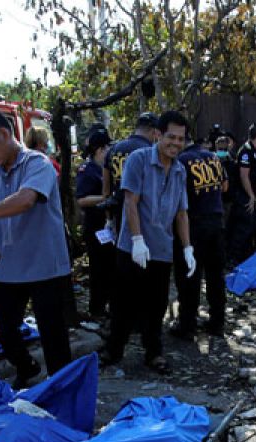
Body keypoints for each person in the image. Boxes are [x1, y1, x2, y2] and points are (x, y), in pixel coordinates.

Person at [0, 110, 72, 389]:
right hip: (12, 264)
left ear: (5, 134)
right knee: (4, 327)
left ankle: (63, 391)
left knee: (53, 336)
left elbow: (25, 200)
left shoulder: (37, 164)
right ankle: (28, 367)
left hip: (46, 265)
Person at [101, 110, 193, 374]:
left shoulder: (179, 170)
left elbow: (181, 212)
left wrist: (187, 247)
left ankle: (153, 352)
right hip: (132, 247)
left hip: (162, 249)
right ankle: (114, 349)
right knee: (123, 302)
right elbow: (131, 201)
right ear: (157, 135)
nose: (176, 144)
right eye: (171, 137)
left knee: (157, 304)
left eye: (181, 139)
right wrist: (138, 239)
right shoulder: (138, 160)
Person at [171, 132, 227, 338]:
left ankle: (187, 325)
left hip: (193, 224)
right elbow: (225, 185)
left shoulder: (181, 161)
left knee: (189, 276)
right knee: (215, 276)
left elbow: (176, 194)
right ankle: (217, 322)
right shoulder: (213, 157)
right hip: (216, 221)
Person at [74, 128, 112, 318]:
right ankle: (97, 308)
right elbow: (81, 199)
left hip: (108, 226)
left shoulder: (106, 167)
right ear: (99, 149)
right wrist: (104, 198)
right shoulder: (87, 170)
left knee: (111, 269)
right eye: (107, 147)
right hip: (95, 226)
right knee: (98, 270)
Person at [102, 112, 160, 232]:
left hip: (119, 212)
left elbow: (106, 190)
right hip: (143, 215)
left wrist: (108, 219)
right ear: (154, 132)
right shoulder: (150, 151)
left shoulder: (114, 149)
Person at [226, 123, 256, 265]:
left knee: (250, 229)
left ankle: (244, 258)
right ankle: (232, 259)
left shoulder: (255, 151)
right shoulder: (246, 151)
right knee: (241, 229)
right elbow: (244, 175)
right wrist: (251, 196)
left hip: (251, 196)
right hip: (244, 197)